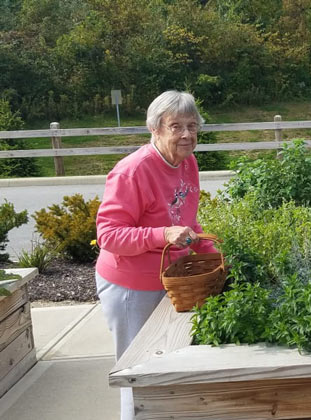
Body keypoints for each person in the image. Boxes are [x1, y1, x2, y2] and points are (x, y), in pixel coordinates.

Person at [95, 90, 218, 420]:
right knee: (137, 369)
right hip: (130, 287)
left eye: (192, 126)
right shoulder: (132, 171)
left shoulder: (187, 162)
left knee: (169, 363)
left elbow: (187, 222)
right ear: (155, 129)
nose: (186, 135)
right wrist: (161, 234)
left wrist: (215, 255)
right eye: (175, 126)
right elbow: (108, 235)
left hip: (171, 280)